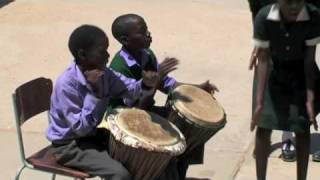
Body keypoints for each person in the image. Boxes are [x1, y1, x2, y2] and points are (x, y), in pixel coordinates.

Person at [46, 24, 176, 180]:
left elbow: (130, 89)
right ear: (82, 55)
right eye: (102, 51)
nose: (108, 55)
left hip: (95, 136)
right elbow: (80, 129)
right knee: (120, 175)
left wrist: (146, 83)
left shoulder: (105, 73)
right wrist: (94, 95)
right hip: (70, 146)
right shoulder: (66, 85)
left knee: (150, 154)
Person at [109, 14, 217, 180]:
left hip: (143, 112)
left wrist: (198, 88)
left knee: (185, 129)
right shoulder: (119, 68)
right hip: (124, 123)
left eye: (147, 29)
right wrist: (157, 78)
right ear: (125, 40)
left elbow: (167, 84)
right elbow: (137, 110)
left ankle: (180, 171)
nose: (148, 34)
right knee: (164, 151)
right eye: (142, 31)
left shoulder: (147, 54)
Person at [250, 0, 320, 179]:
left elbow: (309, 61)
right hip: (272, 66)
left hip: (300, 68)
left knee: (302, 124)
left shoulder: (312, 15)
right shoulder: (265, 16)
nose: (294, 7)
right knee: (264, 124)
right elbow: (264, 60)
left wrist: (310, 98)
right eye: (289, 2)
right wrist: (258, 104)